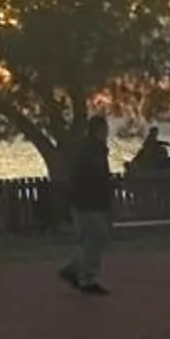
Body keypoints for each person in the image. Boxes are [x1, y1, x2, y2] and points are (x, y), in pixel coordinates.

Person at [56, 115, 116, 295]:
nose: (106, 133)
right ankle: (86, 277)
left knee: (89, 239)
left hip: (83, 202)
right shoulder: (93, 151)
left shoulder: (88, 150)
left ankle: (74, 269)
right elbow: (96, 178)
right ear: (98, 130)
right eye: (104, 129)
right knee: (96, 238)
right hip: (90, 203)